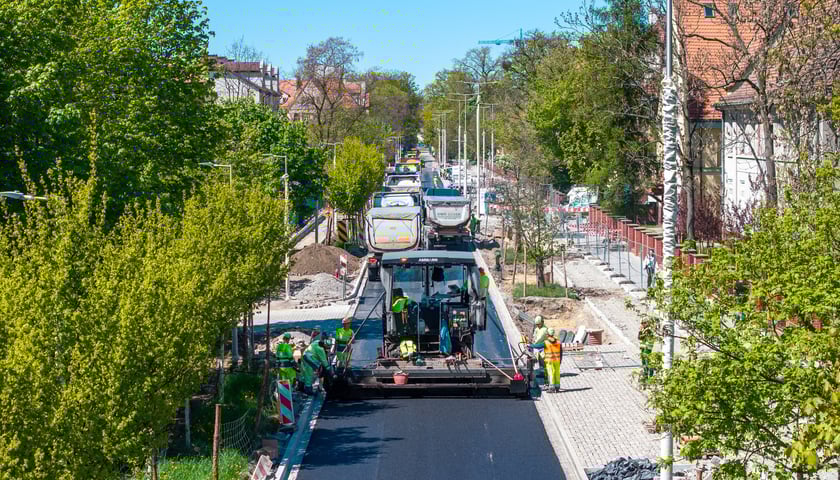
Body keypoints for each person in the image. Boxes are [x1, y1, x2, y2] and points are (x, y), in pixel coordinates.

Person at [544, 328, 563, 393]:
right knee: (557, 373)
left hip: (550, 361)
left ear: (548, 334)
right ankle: (557, 387)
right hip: (557, 360)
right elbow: (561, 352)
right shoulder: (558, 342)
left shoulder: (546, 342)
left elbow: (538, 346)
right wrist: (560, 360)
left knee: (551, 373)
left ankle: (551, 387)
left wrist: (530, 345)